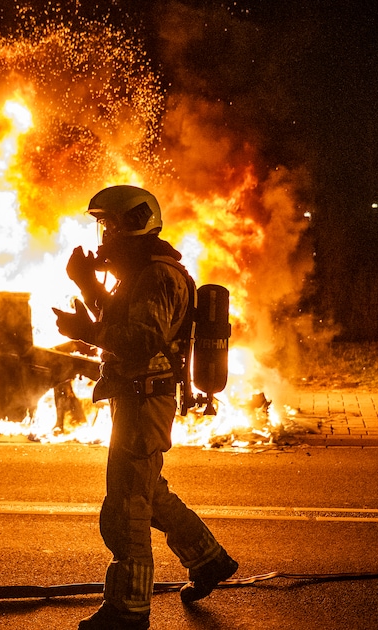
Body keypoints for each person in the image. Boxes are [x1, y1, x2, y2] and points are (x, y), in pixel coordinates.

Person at [53, 185, 238, 630]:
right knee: (148, 492)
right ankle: (208, 559)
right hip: (134, 395)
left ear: (135, 223)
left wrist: (88, 331)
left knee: (125, 508)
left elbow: (140, 340)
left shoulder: (159, 275)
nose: (105, 234)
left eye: (111, 224)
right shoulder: (140, 272)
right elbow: (122, 318)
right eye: (102, 224)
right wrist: (85, 283)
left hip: (145, 397)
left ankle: (128, 610)